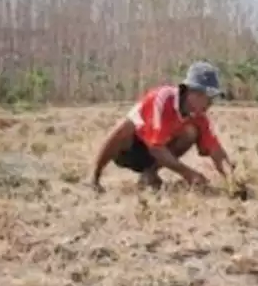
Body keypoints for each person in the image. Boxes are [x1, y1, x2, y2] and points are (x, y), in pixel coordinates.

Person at [90, 61, 237, 193]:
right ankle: (93, 177)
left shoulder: (198, 116)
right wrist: (188, 173)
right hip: (131, 150)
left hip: (156, 153)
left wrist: (231, 179)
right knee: (126, 126)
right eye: (208, 97)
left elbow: (216, 150)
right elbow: (155, 147)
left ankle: (149, 174)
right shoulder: (162, 99)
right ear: (192, 92)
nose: (210, 104)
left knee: (190, 133)